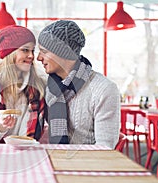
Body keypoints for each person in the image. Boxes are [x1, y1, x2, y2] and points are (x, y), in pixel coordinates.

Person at [37, 20, 120, 149]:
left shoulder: (104, 89)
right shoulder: (47, 86)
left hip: (87, 166)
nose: (38, 57)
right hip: (53, 160)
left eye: (44, 51)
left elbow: (105, 148)